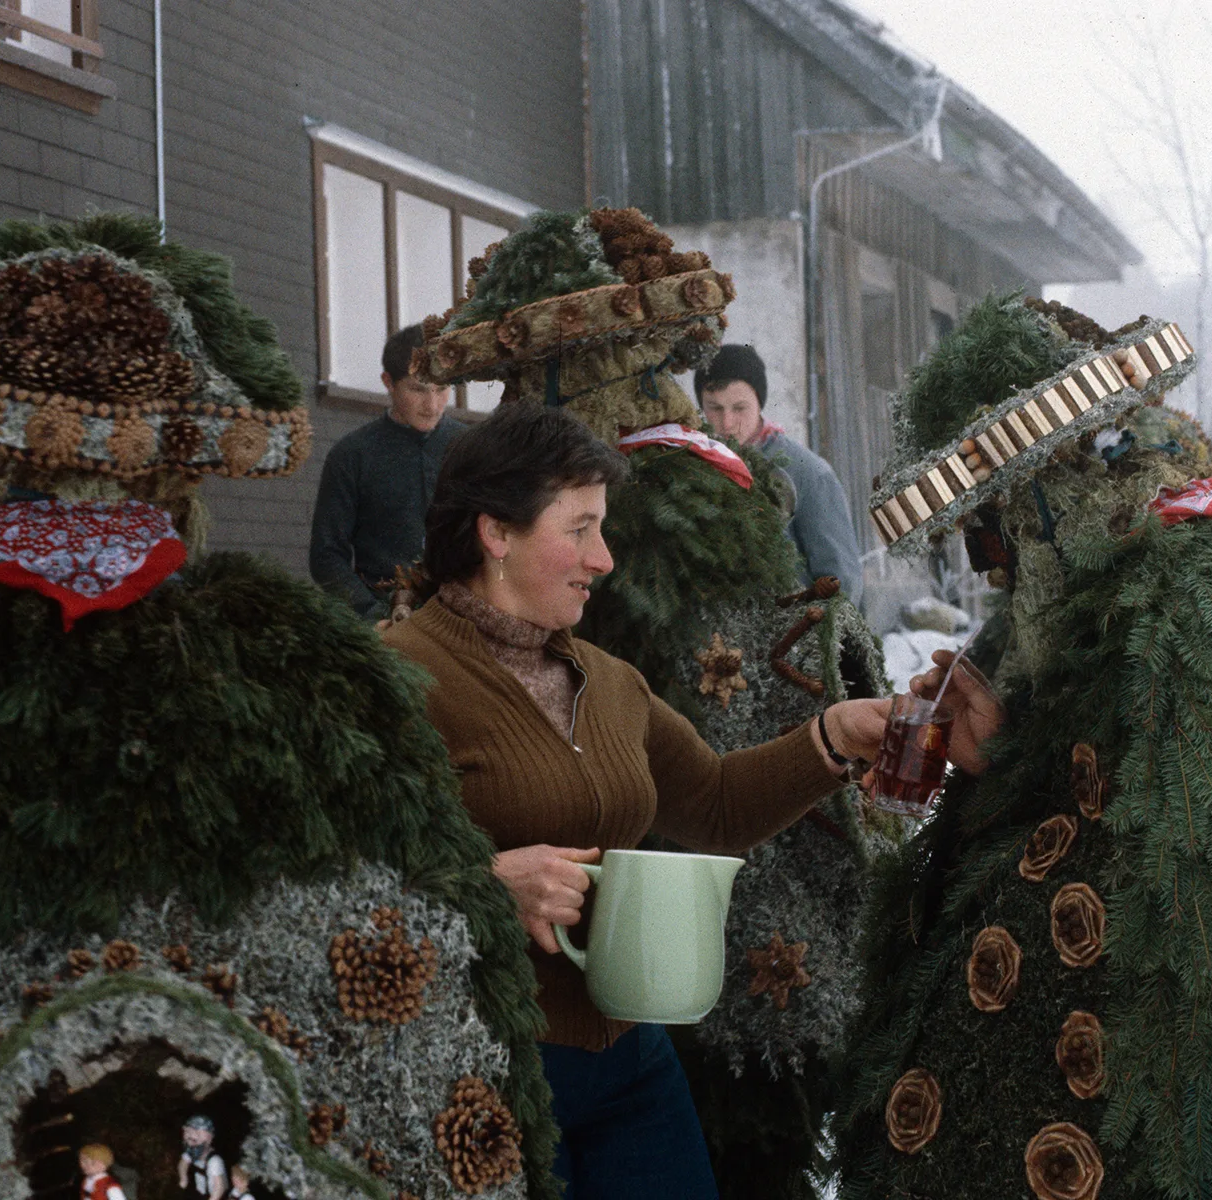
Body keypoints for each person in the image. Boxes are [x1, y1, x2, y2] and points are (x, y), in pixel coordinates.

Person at [383, 403, 893, 1198]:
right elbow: (328, 870)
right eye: (581, 529)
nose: (607, 558)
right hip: (479, 1069)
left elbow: (716, 805)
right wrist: (482, 885)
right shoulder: (393, 676)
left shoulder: (609, 681)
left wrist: (836, 737)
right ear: (496, 533)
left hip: (631, 1065)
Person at [309, 324, 464, 616]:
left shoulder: (471, 448)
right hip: (383, 615)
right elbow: (326, 557)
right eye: (417, 389)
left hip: (464, 617)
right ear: (388, 382)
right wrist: (371, 615)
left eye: (442, 388)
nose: (432, 405)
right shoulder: (351, 456)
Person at [694, 344, 865, 604]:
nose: (726, 423)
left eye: (739, 408)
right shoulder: (691, 465)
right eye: (715, 409)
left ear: (760, 403)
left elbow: (840, 581)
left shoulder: (808, 473)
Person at [177, 1115, 227, 1199]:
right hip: (200, 1193)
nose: (191, 1144)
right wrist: (183, 1178)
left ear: (209, 1138)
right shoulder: (191, 1152)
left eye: (198, 1133)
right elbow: (183, 1163)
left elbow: (219, 1188)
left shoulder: (214, 1161)